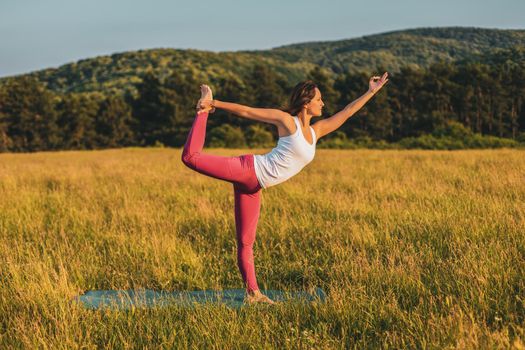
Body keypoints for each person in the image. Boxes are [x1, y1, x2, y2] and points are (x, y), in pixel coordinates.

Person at [181, 72, 389, 304]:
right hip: (248, 169)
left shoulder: (315, 131)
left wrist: (371, 92)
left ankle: (253, 294)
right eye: (319, 99)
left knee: (246, 242)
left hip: (254, 187)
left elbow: (347, 112)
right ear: (306, 102)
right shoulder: (287, 122)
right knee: (190, 157)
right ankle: (202, 113)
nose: (323, 103)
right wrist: (212, 103)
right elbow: (248, 111)